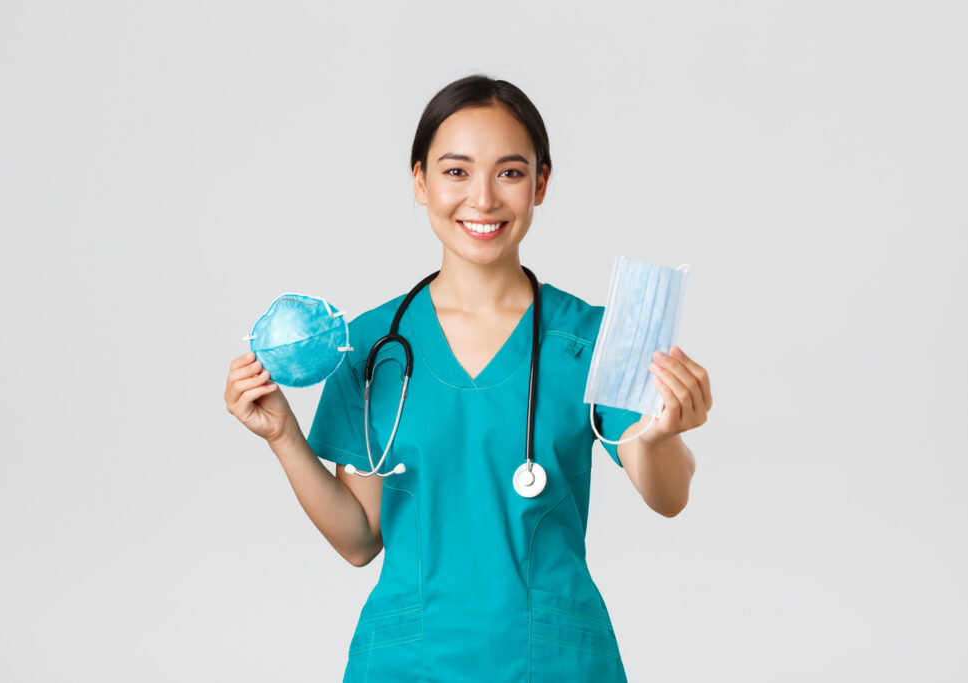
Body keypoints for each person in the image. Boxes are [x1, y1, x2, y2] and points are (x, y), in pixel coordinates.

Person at [224, 74, 710, 683]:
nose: (482, 199)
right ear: (420, 181)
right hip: (408, 662)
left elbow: (668, 494)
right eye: (456, 172)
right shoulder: (374, 347)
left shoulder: (591, 339)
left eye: (508, 172)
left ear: (541, 183)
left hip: (553, 662)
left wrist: (662, 436)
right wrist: (283, 438)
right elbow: (358, 539)